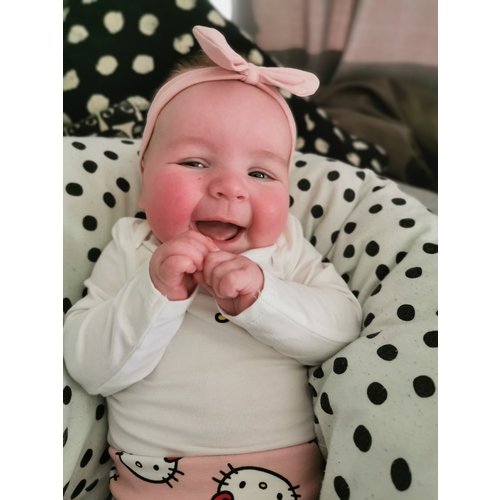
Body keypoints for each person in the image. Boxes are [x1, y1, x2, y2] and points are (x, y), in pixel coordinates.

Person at [64, 26, 362, 500]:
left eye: (260, 172)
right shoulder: (133, 248)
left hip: (285, 482)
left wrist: (265, 296)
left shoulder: (284, 246)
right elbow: (88, 366)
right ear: (143, 183)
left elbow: (342, 328)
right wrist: (154, 294)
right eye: (195, 163)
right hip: (153, 484)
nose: (230, 187)